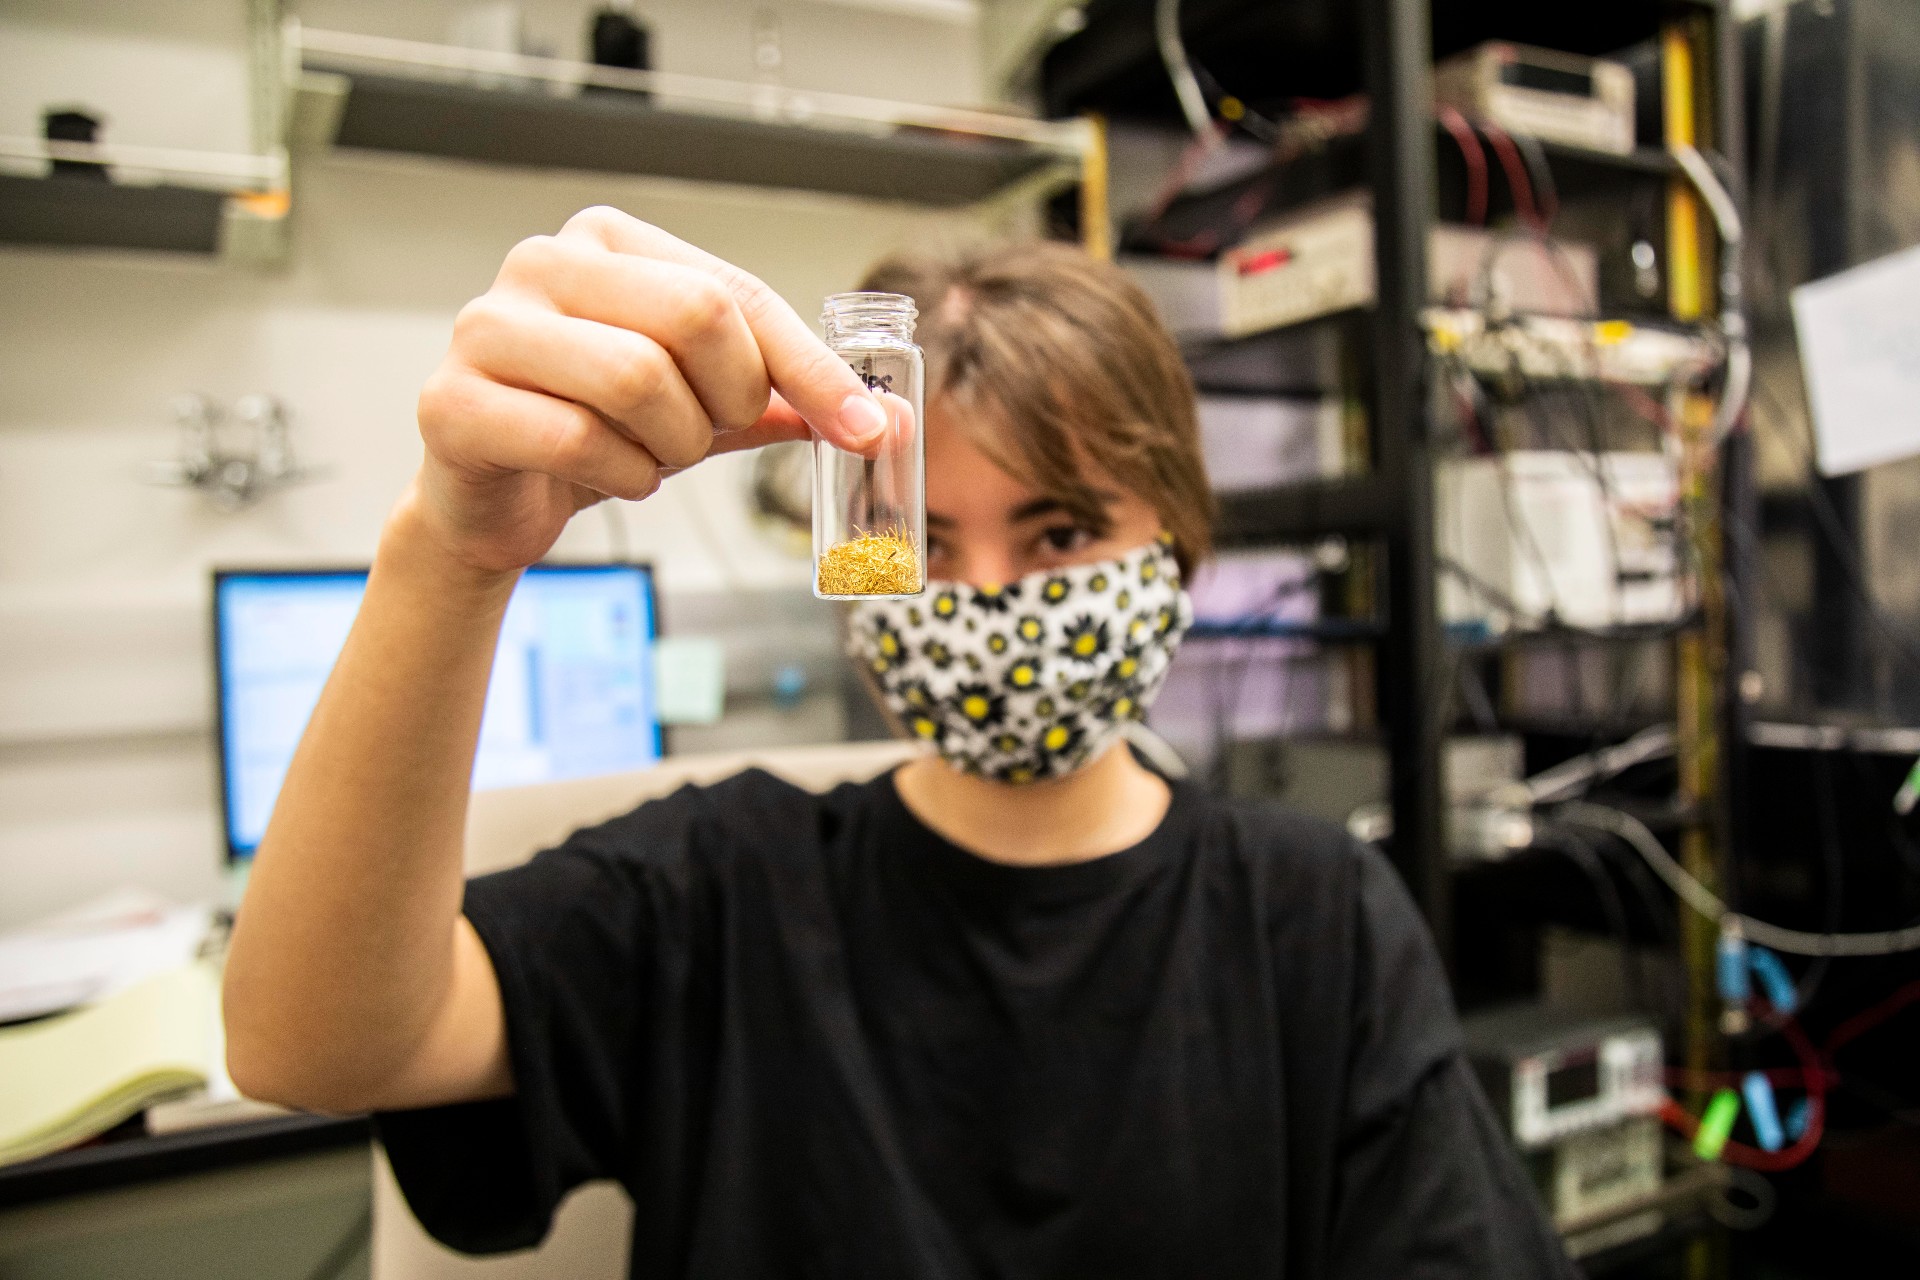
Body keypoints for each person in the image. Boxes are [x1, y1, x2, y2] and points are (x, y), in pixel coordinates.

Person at [223, 207, 1576, 1279]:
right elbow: (311, 1047)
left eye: (1058, 535)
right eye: (921, 545)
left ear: (1177, 539)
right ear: (852, 561)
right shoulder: (717, 888)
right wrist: (449, 556)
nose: (986, 597)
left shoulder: (1312, 916)